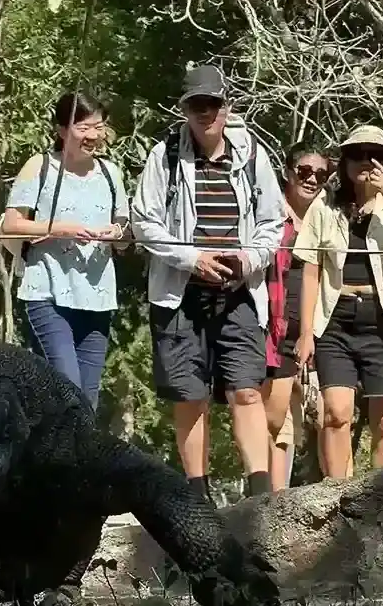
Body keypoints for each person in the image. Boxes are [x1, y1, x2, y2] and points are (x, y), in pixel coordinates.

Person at [130, 64, 285, 503]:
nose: (205, 113)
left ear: (226, 106)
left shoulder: (252, 153)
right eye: (197, 105)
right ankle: (196, 497)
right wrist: (192, 258)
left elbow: (273, 221)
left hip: (238, 293)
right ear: (185, 109)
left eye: (213, 104)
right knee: (189, 397)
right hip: (180, 294)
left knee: (247, 391)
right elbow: (145, 221)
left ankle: (261, 496)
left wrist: (248, 258)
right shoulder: (163, 155)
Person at [293, 124, 383, 478]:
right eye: (356, 156)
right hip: (336, 320)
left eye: (374, 156)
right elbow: (310, 267)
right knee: (335, 413)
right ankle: (337, 495)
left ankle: (380, 499)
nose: (364, 163)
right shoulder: (325, 207)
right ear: (345, 163)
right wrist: (306, 332)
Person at [0, 91, 129, 414]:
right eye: (83, 128)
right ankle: (50, 460)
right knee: (65, 387)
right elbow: (11, 224)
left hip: (98, 298)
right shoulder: (40, 166)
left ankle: (78, 462)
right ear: (61, 131)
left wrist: (115, 233)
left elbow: (124, 232)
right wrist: (58, 228)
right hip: (48, 292)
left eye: (98, 127)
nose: (93, 136)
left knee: (88, 397)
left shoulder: (111, 174)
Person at [263, 142, 331, 490]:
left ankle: (290, 500)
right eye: (305, 171)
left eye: (321, 174)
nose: (312, 180)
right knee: (273, 418)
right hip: (274, 324)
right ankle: (267, 502)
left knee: (316, 418)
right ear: (289, 172)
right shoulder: (270, 215)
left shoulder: (330, 217)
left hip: (317, 327)